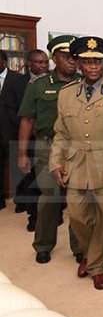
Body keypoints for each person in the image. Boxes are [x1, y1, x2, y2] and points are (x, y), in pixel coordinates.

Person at [49, 36, 103, 290]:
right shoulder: (66, 94)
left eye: (97, 61)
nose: (93, 66)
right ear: (77, 63)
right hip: (75, 165)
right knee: (77, 217)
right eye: (87, 61)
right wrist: (55, 161)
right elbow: (61, 133)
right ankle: (89, 253)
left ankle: (97, 265)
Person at [17, 36, 83, 264]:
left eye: (74, 57)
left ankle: (80, 247)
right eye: (66, 57)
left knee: (77, 199)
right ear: (54, 58)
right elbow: (27, 120)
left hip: (77, 148)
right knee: (50, 198)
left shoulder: (84, 83)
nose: (72, 62)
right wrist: (23, 153)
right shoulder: (39, 85)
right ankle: (43, 244)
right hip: (47, 146)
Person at [0, 49, 48, 226]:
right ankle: (34, 217)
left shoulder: (51, 81)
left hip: (46, 138)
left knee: (48, 179)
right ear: (29, 63)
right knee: (29, 180)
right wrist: (27, 127)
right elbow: (10, 110)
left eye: (45, 62)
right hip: (25, 138)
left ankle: (54, 213)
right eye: (38, 62)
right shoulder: (17, 82)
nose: (43, 66)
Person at [0, 49, 22, 210]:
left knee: (18, 168)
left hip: (13, 130)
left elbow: (23, 106)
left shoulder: (17, 79)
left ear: (4, 61)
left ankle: (21, 201)